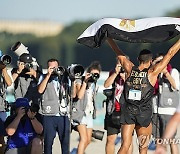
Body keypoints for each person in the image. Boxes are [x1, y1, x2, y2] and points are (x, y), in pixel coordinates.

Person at [106, 38, 180, 154]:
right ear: (151, 61)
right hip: (144, 113)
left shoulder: (129, 68)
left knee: (125, 145)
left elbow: (118, 51)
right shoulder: (152, 73)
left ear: (137, 59)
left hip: (128, 111)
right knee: (143, 148)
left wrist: (108, 37)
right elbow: (170, 52)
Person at [38, 58, 70, 154]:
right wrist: (48, 75)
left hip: (63, 114)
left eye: (55, 67)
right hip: (49, 114)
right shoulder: (43, 77)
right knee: (48, 143)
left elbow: (72, 94)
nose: (54, 70)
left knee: (65, 144)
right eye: (51, 68)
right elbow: (40, 90)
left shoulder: (65, 78)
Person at [72, 61, 101, 154]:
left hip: (89, 113)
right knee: (83, 139)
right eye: (92, 74)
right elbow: (79, 96)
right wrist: (85, 82)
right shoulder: (80, 81)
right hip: (80, 113)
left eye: (97, 74)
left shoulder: (94, 84)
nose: (94, 76)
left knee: (88, 140)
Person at [152, 54, 179, 154]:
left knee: (172, 139)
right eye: (158, 62)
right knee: (158, 139)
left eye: (162, 61)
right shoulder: (153, 72)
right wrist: (154, 66)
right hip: (156, 109)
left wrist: (166, 73)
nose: (160, 64)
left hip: (169, 110)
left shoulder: (173, 71)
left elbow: (176, 86)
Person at [104, 59, 133, 154]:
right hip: (113, 110)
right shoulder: (113, 73)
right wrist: (115, 73)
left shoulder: (132, 74)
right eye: (119, 65)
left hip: (127, 112)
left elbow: (135, 90)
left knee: (127, 141)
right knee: (110, 139)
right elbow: (106, 85)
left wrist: (126, 78)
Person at [0, 50, 12, 154]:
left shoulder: (3, 72)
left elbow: (9, 83)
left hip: (1, 109)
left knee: (1, 139)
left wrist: (4, 71)